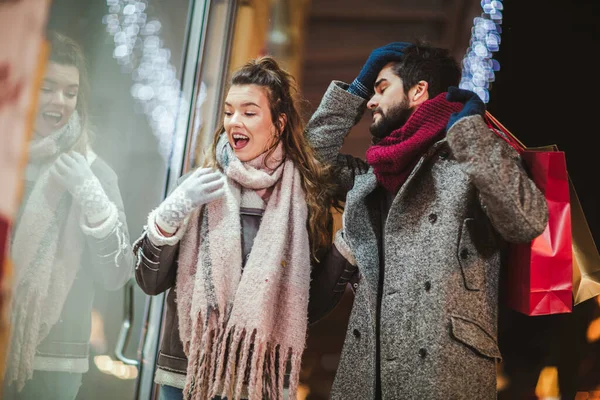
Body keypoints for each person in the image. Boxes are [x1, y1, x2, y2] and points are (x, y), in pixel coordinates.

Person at [305, 41, 549, 399]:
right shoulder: (372, 176)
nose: (371, 101)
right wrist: (355, 89)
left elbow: (526, 220)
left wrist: (469, 133)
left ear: (419, 91)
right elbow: (308, 166)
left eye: (381, 88)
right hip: (367, 375)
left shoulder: (473, 156)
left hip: (444, 373)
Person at [134, 56, 339, 400]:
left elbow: (309, 306)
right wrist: (172, 213)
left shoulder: (304, 202)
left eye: (249, 111)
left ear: (279, 122)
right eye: (229, 111)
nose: (234, 121)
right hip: (188, 376)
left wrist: (345, 254)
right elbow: (148, 281)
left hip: (257, 381)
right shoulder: (197, 187)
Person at [3, 31, 134, 399]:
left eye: (71, 92)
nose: (59, 101)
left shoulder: (94, 171)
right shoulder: (6, 158)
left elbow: (118, 273)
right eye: (48, 87)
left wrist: (91, 197)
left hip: (55, 363)